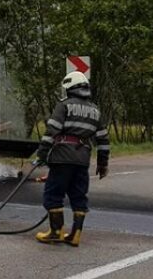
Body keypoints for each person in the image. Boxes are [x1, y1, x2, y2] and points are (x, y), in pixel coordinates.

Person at [34, 71, 110, 246]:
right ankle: (75, 235)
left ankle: (56, 232)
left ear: (69, 88)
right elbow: (103, 140)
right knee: (79, 196)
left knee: (53, 194)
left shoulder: (64, 105)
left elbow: (51, 132)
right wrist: (102, 163)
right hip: (82, 159)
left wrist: (42, 154)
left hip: (62, 157)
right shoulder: (95, 110)